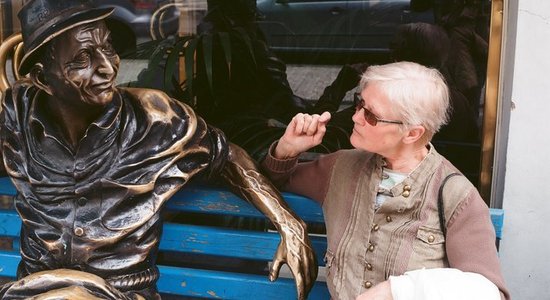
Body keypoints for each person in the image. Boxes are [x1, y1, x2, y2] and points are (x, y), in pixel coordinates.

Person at [0, 0, 317, 298]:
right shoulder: (18, 115)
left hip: (121, 291)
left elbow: (228, 157)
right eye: (82, 58)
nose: (108, 69)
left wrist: (289, 223)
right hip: (34, 287)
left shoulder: (155, 118)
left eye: (107, 47)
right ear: (42, 78)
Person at [261, 61, 509, 299]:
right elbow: (268, 185)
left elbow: (488, 292)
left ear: (412, 133)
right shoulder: (341, 167)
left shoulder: (455, 195)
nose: (356, 117)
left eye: (371, 115)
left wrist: (401, 291)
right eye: (360, 104)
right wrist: (287, 149)